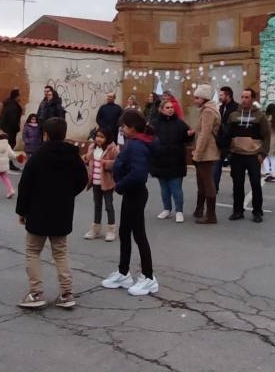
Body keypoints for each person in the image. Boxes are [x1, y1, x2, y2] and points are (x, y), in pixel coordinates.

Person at [15, 117, 88, 309]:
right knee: (60, 252)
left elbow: (25, 186)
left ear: (45, 134)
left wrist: (22, 211)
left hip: (38, 210)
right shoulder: (73, 156)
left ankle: (36, 292)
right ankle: (66, 293)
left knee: (33, 251)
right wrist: (67, 194)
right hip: (62, 210)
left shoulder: (38, 157)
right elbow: (83, 179)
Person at [101, 110, 158, 296]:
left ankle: (148, 277)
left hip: (135, 193)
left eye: (124, 126)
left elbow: (138, 174)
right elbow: (124, 164)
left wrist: (119, 186)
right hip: (131, 193)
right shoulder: (134, 143)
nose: (122, 129)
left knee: (139, 235)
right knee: (125, 233)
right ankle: (123, 272)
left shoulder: (137, 145)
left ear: (133, 128)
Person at [224, 88, 271, 223]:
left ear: (253, 99)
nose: (244, 100)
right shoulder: (233, 115)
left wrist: (263, 154)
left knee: (255, 184)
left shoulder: (260, 116)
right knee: (237, 184)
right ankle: (238, 211)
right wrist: (228, 152)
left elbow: (267, 136)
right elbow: (228, 135)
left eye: (247, 97)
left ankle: (257, 212)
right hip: (237, 155)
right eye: (242, 97)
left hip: (253, 155)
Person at [150, 99, 192, 223]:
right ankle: (166, 209)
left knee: (176, 188)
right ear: (161, 109)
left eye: (171, 107)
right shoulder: (155, 123)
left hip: (176, 160)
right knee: (164, 188)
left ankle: (179, 211)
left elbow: (186, 138)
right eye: (167, 107)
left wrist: (190, 135)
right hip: (160, 160)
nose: (170, 109)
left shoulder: (180, 123)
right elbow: (149, 138)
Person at [191, 84, 221, 224]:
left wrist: (197, 153)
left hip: (207, 153)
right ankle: (199, 210)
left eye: (197, 98)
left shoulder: (208, 111)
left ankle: (211, 215)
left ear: (204, 98)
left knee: (207, 183)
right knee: (202, 182)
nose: (194, 100)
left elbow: (205, 134)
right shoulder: (207, 110)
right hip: (205, 152)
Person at [82, 128, 119, 241]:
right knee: (97, 205)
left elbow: (118, 163)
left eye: (102, 137)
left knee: (108, 206)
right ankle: (95, 229)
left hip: (107, 182)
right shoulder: (92, 147)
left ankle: (111, 229)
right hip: (95, 182)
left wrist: (107, 164)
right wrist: (86, 158)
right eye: (97, 136)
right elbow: (88, 160)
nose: (99, 139)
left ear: (107, 138)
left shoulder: (112, 149)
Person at [214, 86, 238, 192]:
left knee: (235, 171)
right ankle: (214, 188)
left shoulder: (236, 108)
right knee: (215, 168)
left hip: (232, 143)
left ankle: (237, 189)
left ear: (228, 96)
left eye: (221, 95)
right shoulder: (220, 107)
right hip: (220, 142)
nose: (219, 97)